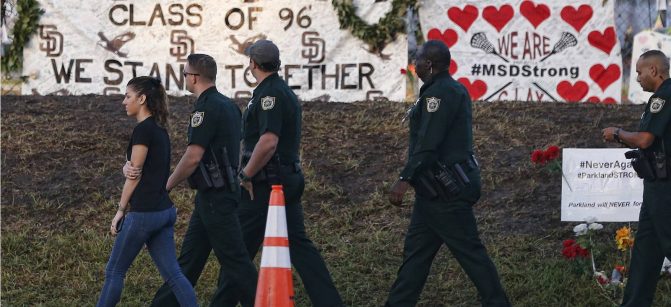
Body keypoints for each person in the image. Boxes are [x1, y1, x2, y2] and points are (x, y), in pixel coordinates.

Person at [217, 39, 344, 307]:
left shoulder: (269, 95)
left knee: (237, 250)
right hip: (281, 179)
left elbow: (268, 141)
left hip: (266, 183)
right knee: (300, 248)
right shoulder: (276, 90)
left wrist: (245, 176)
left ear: (252, 63)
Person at [385, 40, 510, 307]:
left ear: (429, 64)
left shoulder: (440, 94)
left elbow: (429, 143)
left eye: (417, 59)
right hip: (433, 194)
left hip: (446, 194)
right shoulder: (444, 90)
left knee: (471, 255)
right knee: (415, 258)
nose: (414, 64)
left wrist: (403, 179)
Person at [129, 54, 258, 307]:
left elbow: (193, 156)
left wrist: (165, 185)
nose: (184, 78)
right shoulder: (230, 105)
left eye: (185, 74)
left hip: (216, 199)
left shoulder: (205, 107)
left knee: (236, 261)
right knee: (189, 261)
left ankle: (263, 301)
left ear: (195, 77)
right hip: (216, 196)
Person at [97, 76, 198, 307]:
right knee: (174, 276)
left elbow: (135, 175)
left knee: (114, 271)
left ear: (141, 99)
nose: (124, 101)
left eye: (128, 96)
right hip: (165, 211)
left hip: (144, 214)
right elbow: (138, 166)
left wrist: (121, 210)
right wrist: (127, 166)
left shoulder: (143, 131)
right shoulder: (159, 131)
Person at [603, 49, 671, 307]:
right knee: (645, 254)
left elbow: (645, 140)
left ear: (654, 71)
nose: (638, 78)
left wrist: (617, 133)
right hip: (656, 185)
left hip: (665, 188)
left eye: (640, 72)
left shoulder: (663, 97)